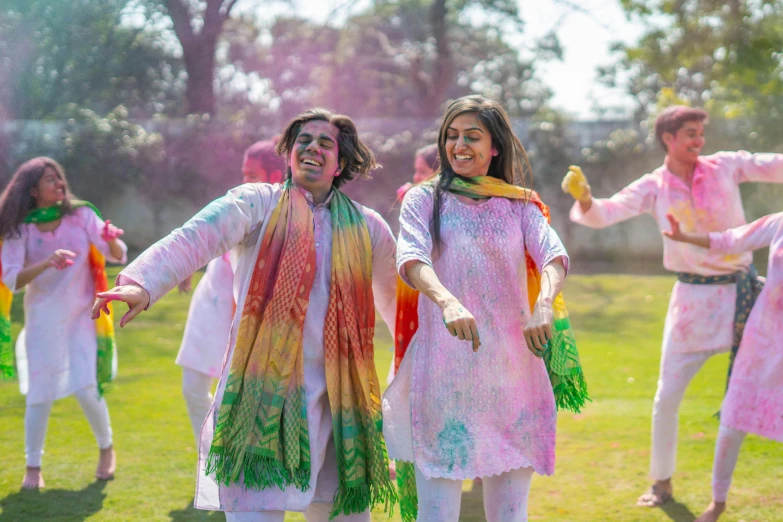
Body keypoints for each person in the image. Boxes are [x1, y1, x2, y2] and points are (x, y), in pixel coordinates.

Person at [92, 109, 399, 522]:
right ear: (289, 155)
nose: (312, 148)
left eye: (325, 143)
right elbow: (198, 235)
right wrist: (144, 283)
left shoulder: (367, 227)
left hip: (339, 403)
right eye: (303, 141)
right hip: (261, 402)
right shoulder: (258, 203)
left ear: (340, 163)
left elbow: (400, 301)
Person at [560, 105, 783, 507]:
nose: (699, 141)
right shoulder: (653, 186)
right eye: (690, 134)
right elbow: (607, 213)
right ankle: (661, 483)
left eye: (701, 133)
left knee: (769, 385)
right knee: (666, 398)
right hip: (692, 304)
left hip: (744, 297)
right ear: (668, 137)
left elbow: (771, 165)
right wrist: (587, 199)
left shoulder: (726, 166)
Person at [383, 95, 572, 522]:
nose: (459, 145)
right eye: (451, 136)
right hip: (444, 376)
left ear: (494, 147)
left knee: (509, 515)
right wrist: (447, 301)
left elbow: (553, 255)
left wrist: (544, 303)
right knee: (437, 514)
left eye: (472, 135)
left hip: (512, 376)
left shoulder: (519, 204)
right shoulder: (424, 200)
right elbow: (412, 258)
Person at [0, 157, 127, 489]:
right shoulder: (20, 228)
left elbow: (115, 252)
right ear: (33, 191)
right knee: (39, 395)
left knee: (87, 388)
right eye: (49, 180)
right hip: (42, 321)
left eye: (59, 177)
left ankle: (107, 449)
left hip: (83, 317)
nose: (59, 183)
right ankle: (32, 468)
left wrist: (112, 238)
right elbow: (11, 279)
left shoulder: (81, 214)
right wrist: (46, 262)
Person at [663, 212, 783, 522]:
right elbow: (731, 239)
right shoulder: (780, 223)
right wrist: (684, 237)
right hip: (764, 339)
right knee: (732, 421)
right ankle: (717, 503)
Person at [177, 138, 285, 443]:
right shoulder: (241, 207)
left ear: (274, 177)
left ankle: (229, 464)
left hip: (244, 323)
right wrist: (186, 264)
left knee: (244, 400)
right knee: (193, 389)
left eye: (252, 175)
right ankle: (212, 460)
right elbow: (211, 236)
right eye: (244, 174)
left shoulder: (279, 218)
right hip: (209, 315)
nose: (244, 181)